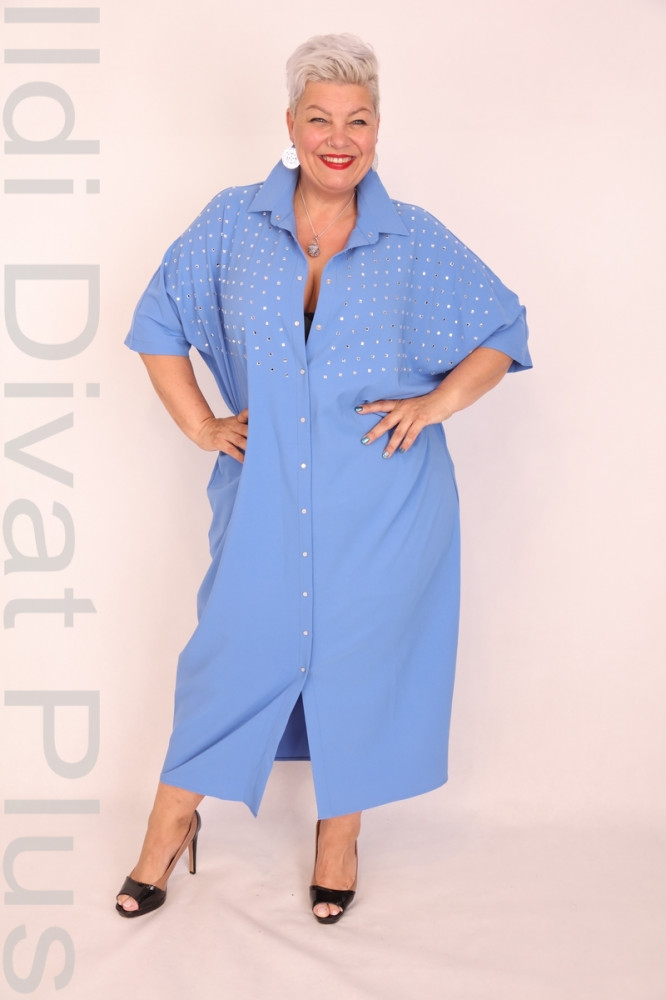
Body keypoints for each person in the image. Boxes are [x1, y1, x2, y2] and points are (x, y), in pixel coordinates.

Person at [116, 33, 531, 924]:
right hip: (262, 500)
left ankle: (338, 838)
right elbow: (157, 323)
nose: (339, 139)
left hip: (385, 507)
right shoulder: (232, 223)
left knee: (359, 664)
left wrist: (436, 405)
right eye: (320, 119)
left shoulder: (412, 238)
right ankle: (169, 823)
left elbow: (502, 329)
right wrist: (202, 424)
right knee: (231, 656)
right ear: (291, 124)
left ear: (378, 128)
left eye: (358, 120)